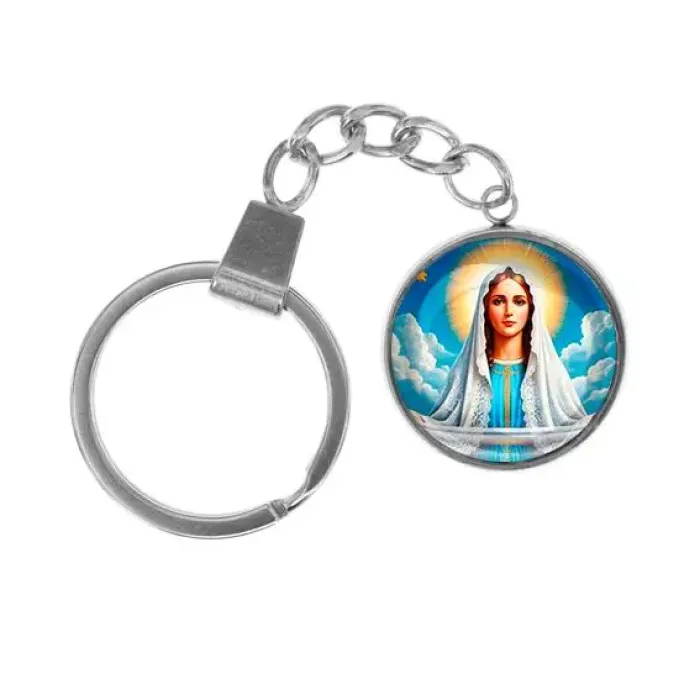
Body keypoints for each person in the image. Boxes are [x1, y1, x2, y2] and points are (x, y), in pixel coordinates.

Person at [428, 267, 586, 460]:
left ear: (531, 309)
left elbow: (574, 429)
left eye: (519, 302)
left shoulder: (551, 375)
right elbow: (441, 429)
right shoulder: (465, 375)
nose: (509, 311)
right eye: (498, 301)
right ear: (484, 309)